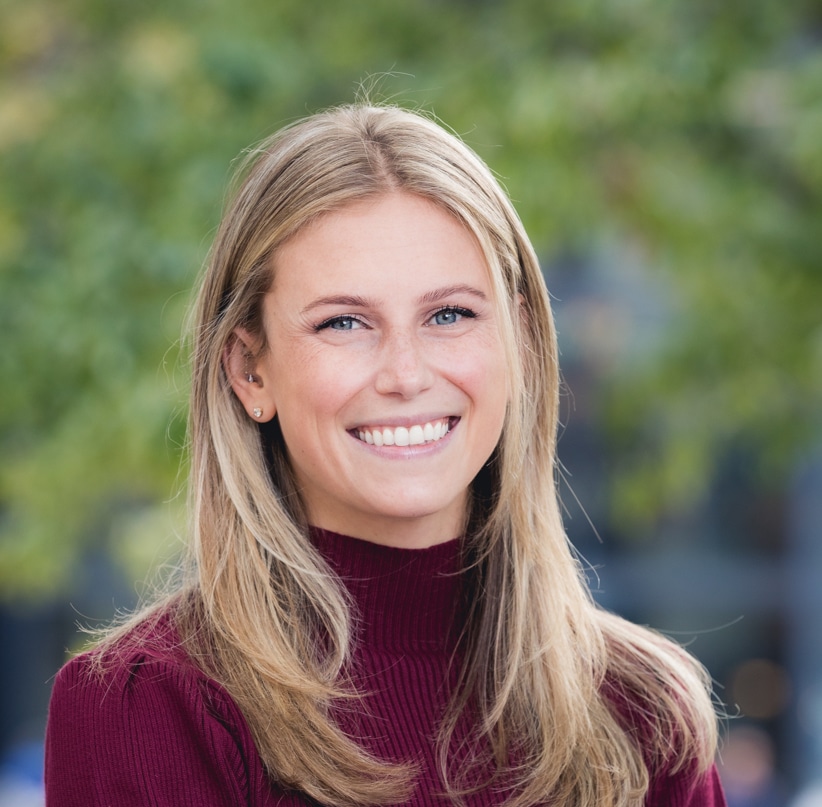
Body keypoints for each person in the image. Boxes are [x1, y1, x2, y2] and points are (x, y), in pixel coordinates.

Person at [44, 103, 727, 807]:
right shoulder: (148, 707)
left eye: (449, 315)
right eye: (344, 321)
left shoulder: (645, 716)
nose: (405, 373)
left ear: (519, 342)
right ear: (250, 369)